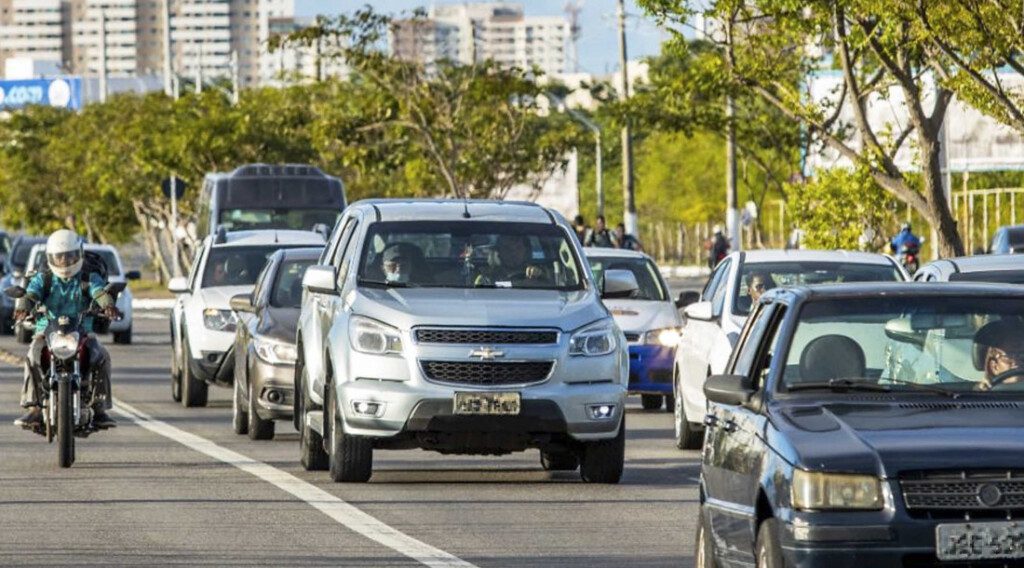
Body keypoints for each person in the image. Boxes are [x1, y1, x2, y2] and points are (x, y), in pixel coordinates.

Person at [14, 229, 120, 428]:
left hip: (81, 331)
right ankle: (34, 409)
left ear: (78, 254)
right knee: (32, 356)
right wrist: (23, 307)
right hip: (47, 332)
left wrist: (107, 304)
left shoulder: (88, 277)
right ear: (51, 258)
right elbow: (31, 293)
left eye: (69, 256)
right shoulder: (43, 278)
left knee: (102, 356)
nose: (64, 261)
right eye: (59, 257)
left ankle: (99, 408)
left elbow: (97, 290)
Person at [475, 235, 546, 285]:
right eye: (507, 249)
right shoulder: (486, 279)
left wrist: (538, 278)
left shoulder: (538, 274)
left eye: (518, 248)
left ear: (526, 251)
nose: (513, 253)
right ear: (499, 252)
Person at [974, 318, 1024, 389]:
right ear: (994, 367)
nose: (1017, 361)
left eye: (1023, 354)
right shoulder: (981, 397)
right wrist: (981, 393)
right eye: (1009, 356)